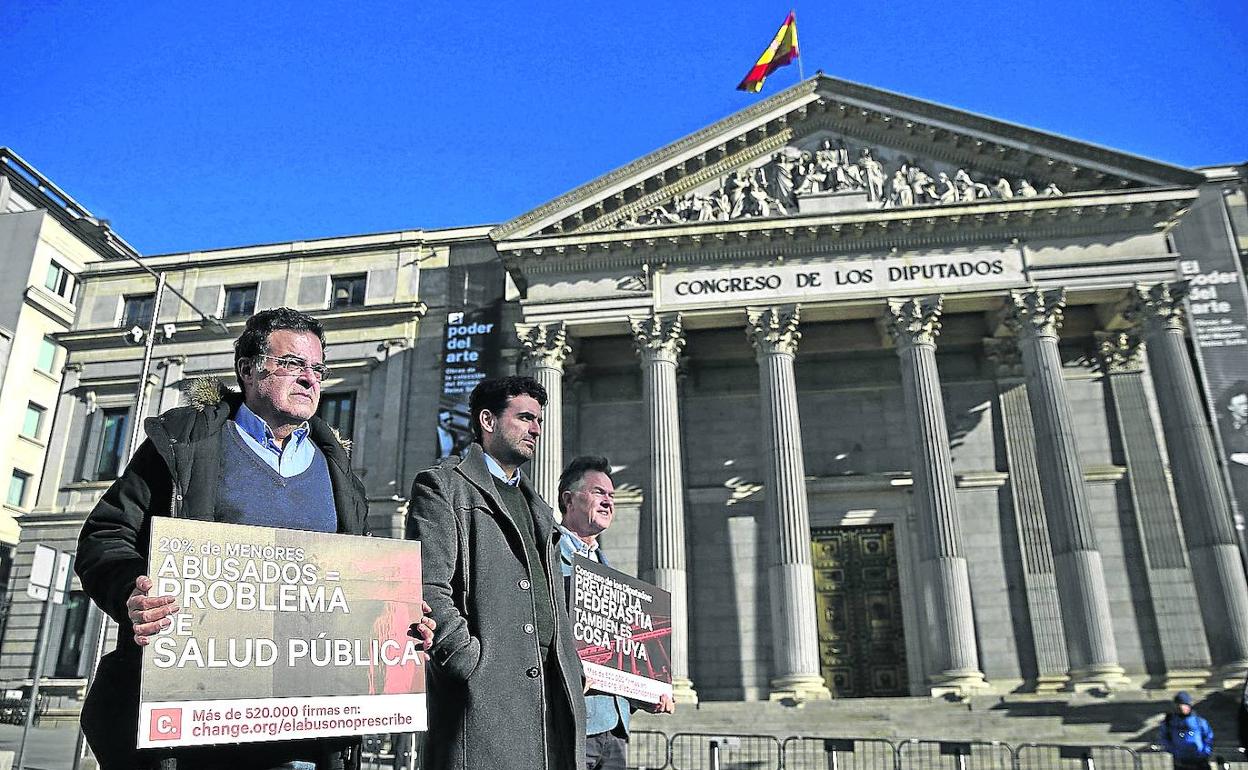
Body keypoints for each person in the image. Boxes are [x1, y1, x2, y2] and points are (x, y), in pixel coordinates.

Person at [75, 308, 431, 770]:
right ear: (246, 369)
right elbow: (106, 535)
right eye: (292, 364)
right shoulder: (185, 446)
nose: (309, 379)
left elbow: (353, 593)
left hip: (308, 738)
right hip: (195, 734)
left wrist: (400, 617)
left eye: (318, 369)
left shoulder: (338, 472)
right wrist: (131, 592)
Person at [406, 375, 586, 770]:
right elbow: (429, 588)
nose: (536, 429)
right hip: (484, 702)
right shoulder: (443, 488)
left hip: (550, 697)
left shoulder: (539, 508)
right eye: (524, 418)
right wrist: (469, 664)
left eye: (538, 420)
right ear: (488, 420)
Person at [555, 456, 674, 770]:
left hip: (616, 727)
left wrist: (649, 692)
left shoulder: (610, 574)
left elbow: (622, 656)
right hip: (573, 724)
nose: (608, 501)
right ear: (569, 499)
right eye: (598, 493)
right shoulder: (546, 559)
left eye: (612, 495)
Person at [1158, 691, 1214, 769]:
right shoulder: (1169, 722)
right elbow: (1164, 737)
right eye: (1178, 704)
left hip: (1200, 760)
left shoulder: (1199, 721)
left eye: (1183, 704)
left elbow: (1208, 737)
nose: (1181, 707)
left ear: (1189, 705)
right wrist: (1173, 751)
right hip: (1180, 761)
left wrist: (1205, 751)